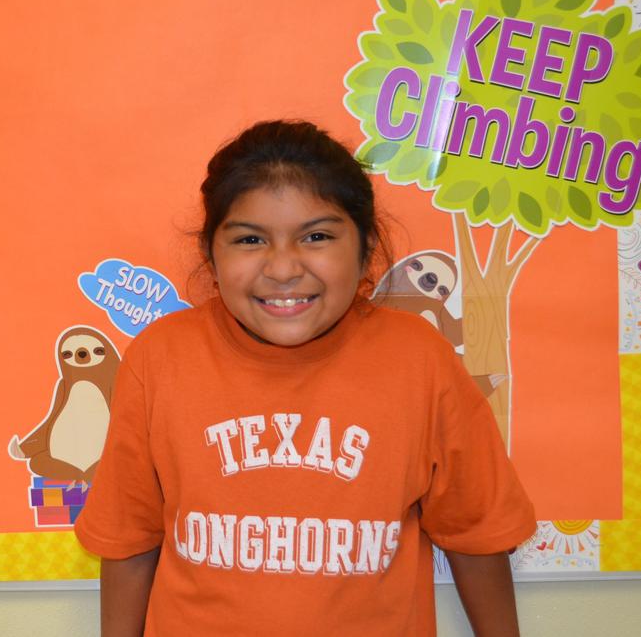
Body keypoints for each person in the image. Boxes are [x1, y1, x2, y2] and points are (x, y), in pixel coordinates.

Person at [74, 120, 536, 636]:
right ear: (211, 255)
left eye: (316, 236)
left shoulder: (420, 361)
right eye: (250, 239)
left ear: (364, 250)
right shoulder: (160, 359)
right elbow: (128, 541)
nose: (283, 268)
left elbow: (477, 536)